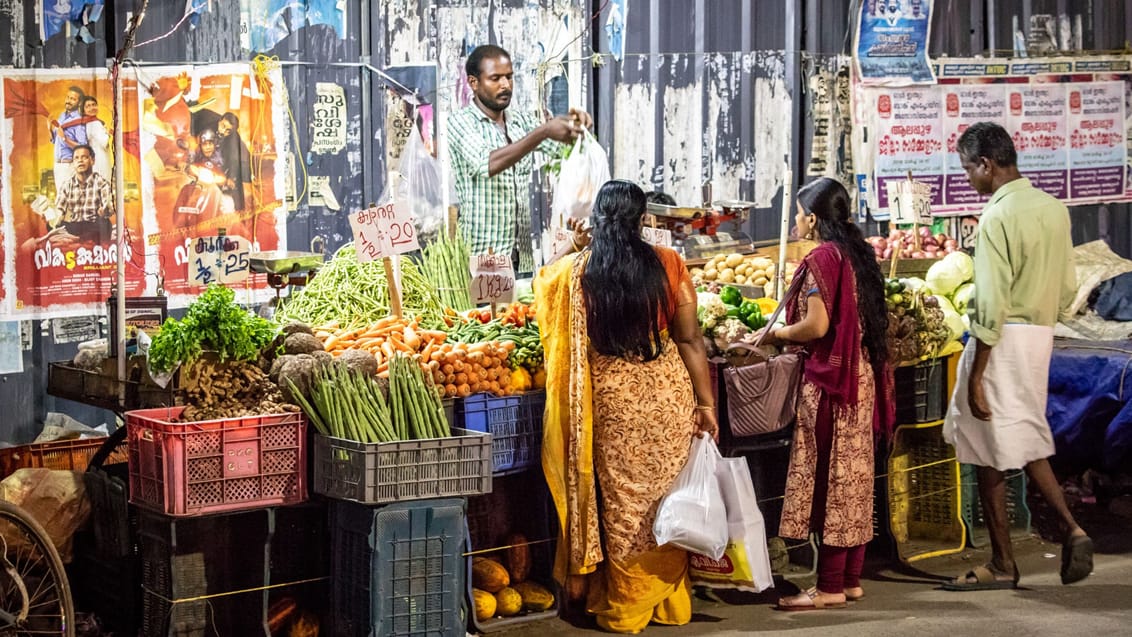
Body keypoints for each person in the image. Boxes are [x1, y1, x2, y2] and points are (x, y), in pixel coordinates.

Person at [535, 180, 717, 633]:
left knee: (622, 506)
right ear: (641, 220)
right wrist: (706, 402)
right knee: (665, 501)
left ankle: (627, 603)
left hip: (612, 401)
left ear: (597, 219)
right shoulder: (668, 264)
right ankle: (669, 602)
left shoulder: (578, 271)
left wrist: (572, 246)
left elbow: (542, 288)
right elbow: (690, 339)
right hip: (665, 393)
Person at [941, 121, 1092, 590]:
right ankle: (1066, 531)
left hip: (1001, 339)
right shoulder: (1052, 207)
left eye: (968, 169)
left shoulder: (997, 216)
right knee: (1022, 437)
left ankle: (1010, 559)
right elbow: (1068, 285)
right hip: (1040, 334)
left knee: (989, 450)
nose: (968, 178)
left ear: (986, 164)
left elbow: (990, 301)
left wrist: (975, 374)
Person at [753, 177, 894, 611]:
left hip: (833, 386)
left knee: (833, 483)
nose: (796, 221)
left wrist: (776, 333)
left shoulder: (821, 259)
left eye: (798, 213)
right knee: (854, 481)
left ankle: (830, 587)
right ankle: (849, 580)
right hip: (860, 379)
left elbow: (816, 327)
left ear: (812, 219)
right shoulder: (857, 254)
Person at [448, 44, 593, 276]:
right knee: (487, 314)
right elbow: (487, 164)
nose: (505, 85)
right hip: (484, 260)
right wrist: (543, 131)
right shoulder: (460, 123)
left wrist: (578, 128)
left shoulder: (520, 122)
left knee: (520, 312)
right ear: (474, 83)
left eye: (509, 77)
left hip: (522, 258)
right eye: (495, 78)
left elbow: (562, 148)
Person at [46, 144, 114, 243]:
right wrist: (54, 217)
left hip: (93, 224)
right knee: (50, 225)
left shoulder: (101, 183)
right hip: (75, 226)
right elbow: (59, 209)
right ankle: (81, 239)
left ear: (92, 161)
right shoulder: (67, 185)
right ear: (73, 163)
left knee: (106, 223)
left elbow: (109, 208)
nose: (80, 161)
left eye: (84, 157)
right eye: (76, 158)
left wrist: (104, 211)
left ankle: (76, 239)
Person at [50, 86, 87, 195]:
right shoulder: (62, 116)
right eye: (68, 97)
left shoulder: (79, 121)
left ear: (79, 103)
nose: (68, 101)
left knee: (67, 203)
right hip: (58, 166)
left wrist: (65, 138)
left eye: (73, 99)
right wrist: (49, 129)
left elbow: (82, 148)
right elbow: (56, 141)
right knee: (62, 202)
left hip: (69, 167)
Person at [217, 111, 252, 211]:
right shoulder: (209, 125)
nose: (223, 131)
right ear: (219, 121)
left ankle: (239, 211)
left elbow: (234, 158)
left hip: (234, 164)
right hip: (214, 161)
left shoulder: (233, 139)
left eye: (228, 130)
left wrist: (231, 177)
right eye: (223, 126)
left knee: (233, 187)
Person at [78, 95, 111, 180]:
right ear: (83, 110)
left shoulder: (86, 123)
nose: (92, 108)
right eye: (88, 106)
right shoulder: (95, 123)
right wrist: (108, 133)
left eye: (94, 104)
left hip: (92, 160)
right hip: (100, 159)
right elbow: (104, 142)